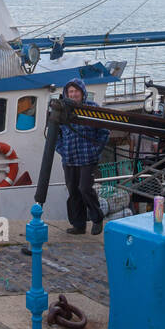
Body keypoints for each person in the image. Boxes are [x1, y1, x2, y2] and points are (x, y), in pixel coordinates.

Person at [55, 77, 109, 235]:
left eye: (76, 91)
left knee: (85, 188)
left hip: (87, 158)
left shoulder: (92, 108)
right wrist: (63, 150)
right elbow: (55, 134)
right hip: (70, 159)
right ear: (66, 94)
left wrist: (95, 151)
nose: (73, 94)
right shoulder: (62, 110)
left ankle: (97, 218)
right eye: (70, 92)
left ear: (82, 92)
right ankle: (78, 225)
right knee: (73, 191)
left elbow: (105, 131)